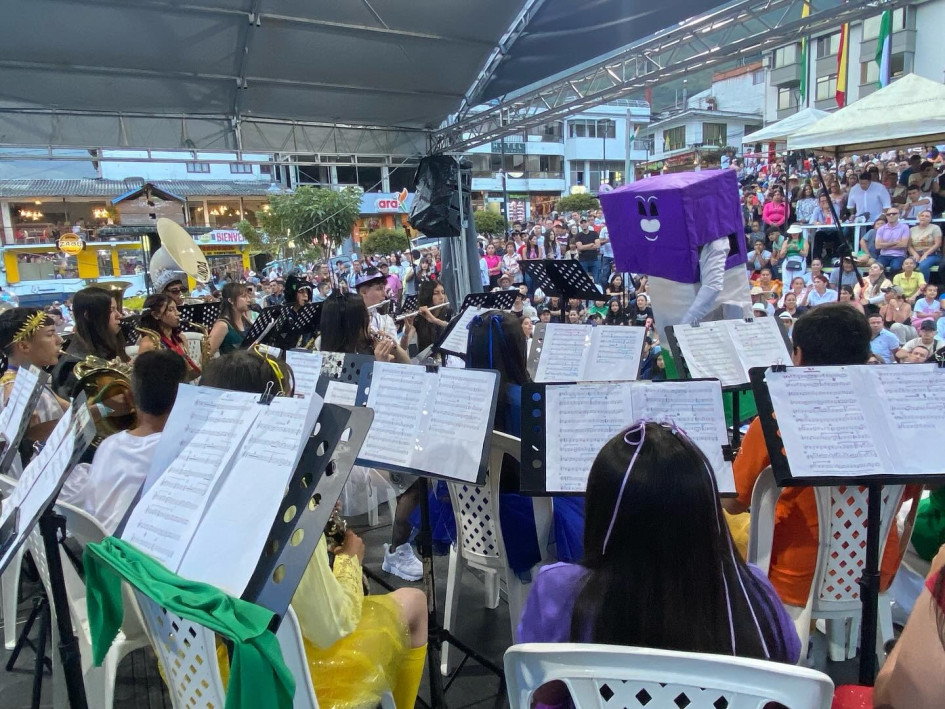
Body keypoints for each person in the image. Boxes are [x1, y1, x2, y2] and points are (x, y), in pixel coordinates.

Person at [201, 350, 428, 709]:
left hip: (205, 668)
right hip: (279, 676)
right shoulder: (278, 503)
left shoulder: (187, 484)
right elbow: (330, 624)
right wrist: (350, 561)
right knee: (414, 601)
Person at [519, 422, 799, 707]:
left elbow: (542, 692)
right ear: (707, 513)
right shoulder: (750, 592)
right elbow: (783, 676)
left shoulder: (559, 590)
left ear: (600, 511)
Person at [723, 305, 914, 610]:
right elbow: (907, 493)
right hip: (876, 568)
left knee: (721, 518)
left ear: (797, 355)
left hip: (794, 575)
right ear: (866, 356)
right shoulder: (899, 419)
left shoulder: (774, 421)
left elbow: (733, 502)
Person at [465, 311, 585, 574]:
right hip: (524, 515)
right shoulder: (527, 402)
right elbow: (554, 466)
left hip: (471, 514)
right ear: (517, 349)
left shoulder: (461, 397)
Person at [63, 350, 187, 534]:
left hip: (97, 547)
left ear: (130, 396)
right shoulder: (178, 453)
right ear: (183, 397)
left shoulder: (108, 445)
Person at [52, 286, 130, 398]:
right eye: (111, 311)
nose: (120, 315)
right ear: (89, 316)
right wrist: (104, 409)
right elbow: (74, 411)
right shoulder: (73, 366)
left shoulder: (103, 347)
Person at [136, 294, 201, 380]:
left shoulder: (181, 338)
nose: (178, 313)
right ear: (156, 315)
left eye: (176, 309)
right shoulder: (148, 343)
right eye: (171, 310)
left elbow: (187, 375)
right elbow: (143, 379)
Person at [208, 282, 253, 357]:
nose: (249, 300)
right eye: (244, 297)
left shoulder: (245, 320)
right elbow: (206, 356)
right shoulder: (222, 325)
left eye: (249, 297)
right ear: (231, 300)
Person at [413, 280, 452, 355]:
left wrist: (435, 320)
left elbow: (454, 329)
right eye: (436, 293)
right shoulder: (418, 318)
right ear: (427, 296)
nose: (441, 297)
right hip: (426, 361)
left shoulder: (448, 313)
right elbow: (404, 347)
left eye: (443, 292)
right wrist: (407, 330)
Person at [908, 209, 942, 282]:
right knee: (908, 264)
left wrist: (926, 254)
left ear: (930, 219)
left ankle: (924, 287)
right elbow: (909, 245)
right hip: (916, 253)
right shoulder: (912, 229)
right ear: (919, 217)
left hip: (932, 254)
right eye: (922, 216)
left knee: (923, 265)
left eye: (927, 216)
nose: (924, 217)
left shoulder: (935, 228)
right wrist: (915, 254)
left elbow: (938, 243)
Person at [875, 207, 911, 272]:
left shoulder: (904, 227)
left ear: (899, 215)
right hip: (883, 255)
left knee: (895, 267)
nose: (891, 215)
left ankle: (891, 282)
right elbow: (877, 246)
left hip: (899, 255)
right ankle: (882, 282)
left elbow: (903, 244)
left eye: (894, 214)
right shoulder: (881, 229)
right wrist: (894, 243)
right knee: (877, 267)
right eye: (888, 214)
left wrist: (884, 245)